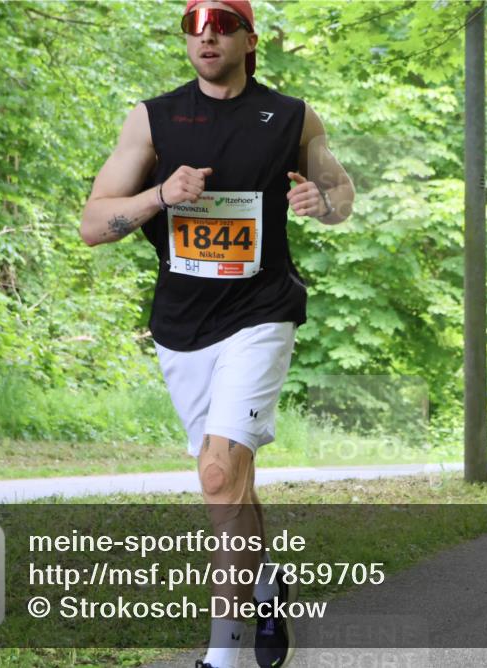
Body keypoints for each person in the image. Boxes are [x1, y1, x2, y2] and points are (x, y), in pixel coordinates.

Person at [79, 3, 354, 667]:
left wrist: (324, 203)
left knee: (217, 471)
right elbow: (93, 224)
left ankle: (221, 657)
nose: (207, 34)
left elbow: (341, 192)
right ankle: (264, 587)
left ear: (248, 38)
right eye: (194, 24)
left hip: (260, 312)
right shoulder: (152, 118)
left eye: (223, 23)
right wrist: (159, 197)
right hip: (181, 325)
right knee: (232, 482)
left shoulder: (293, 116)